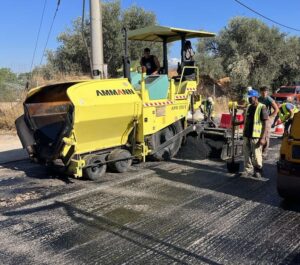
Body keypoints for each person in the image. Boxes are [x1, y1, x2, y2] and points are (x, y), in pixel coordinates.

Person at [234, 89, 269, 178]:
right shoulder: (249, 107)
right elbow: (245, 121)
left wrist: (263, 137)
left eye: (250, 98)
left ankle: (258, 170)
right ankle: (248, 170)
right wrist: (236, 123)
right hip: (247, 135)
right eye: (248, 98)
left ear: (256, 97)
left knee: (257, 155)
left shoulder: (262, 107)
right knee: (246, 154)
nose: (249, 99)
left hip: (256, 136)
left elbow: (265, 123)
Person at [258, 86, 279, 153]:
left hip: (267, 119)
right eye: (262, 91)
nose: (264, 93)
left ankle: (264, 151)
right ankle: (259, 150)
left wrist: (270, 118)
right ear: (260, 92)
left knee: (266, 135)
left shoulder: (269, 99)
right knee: (259, 134)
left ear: (267, 92)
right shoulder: (259, 99)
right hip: (260, 119)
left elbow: (276, 109)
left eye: (265, 91)